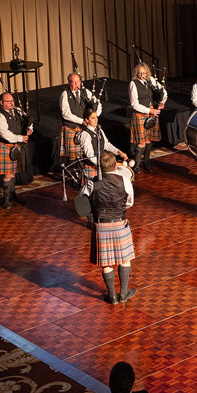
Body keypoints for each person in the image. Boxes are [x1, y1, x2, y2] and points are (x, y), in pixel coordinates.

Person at [89, 151, 138, 305]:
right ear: (116, 164)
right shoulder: (125, 181)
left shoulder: (91, 183)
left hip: (101, 224)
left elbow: (83, 202)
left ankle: (112, 296)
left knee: (106, 263)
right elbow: (129, 202)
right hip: (120, 222)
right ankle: (123, 293)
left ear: (99, 167)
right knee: (125, 259)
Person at [57, 71, 101, 172]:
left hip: (84, 128)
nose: (76, 84)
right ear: (69, 83)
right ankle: (71, 174)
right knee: (73, 155)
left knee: (84, 152)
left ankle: (82, 173)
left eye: (78, 82)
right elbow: (65, 113)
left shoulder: (86, 92)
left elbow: (97, 104)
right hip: (71, 127)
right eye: (73, 82)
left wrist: (95, 116)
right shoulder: (65, 94)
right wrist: (82, 121)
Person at [126, 64, 165, 170]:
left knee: (149, 140)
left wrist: (161, 102)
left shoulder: (150, 80)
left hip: (152, 112)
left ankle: (147, 162)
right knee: (141, 142)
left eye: (144, 73)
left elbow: (163, 91)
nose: (142, 75)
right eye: (139, 73)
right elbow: (134, 104)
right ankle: (136, 165)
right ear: (136, 73)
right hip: (140, 113)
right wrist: (150, 110)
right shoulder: (133, 84)